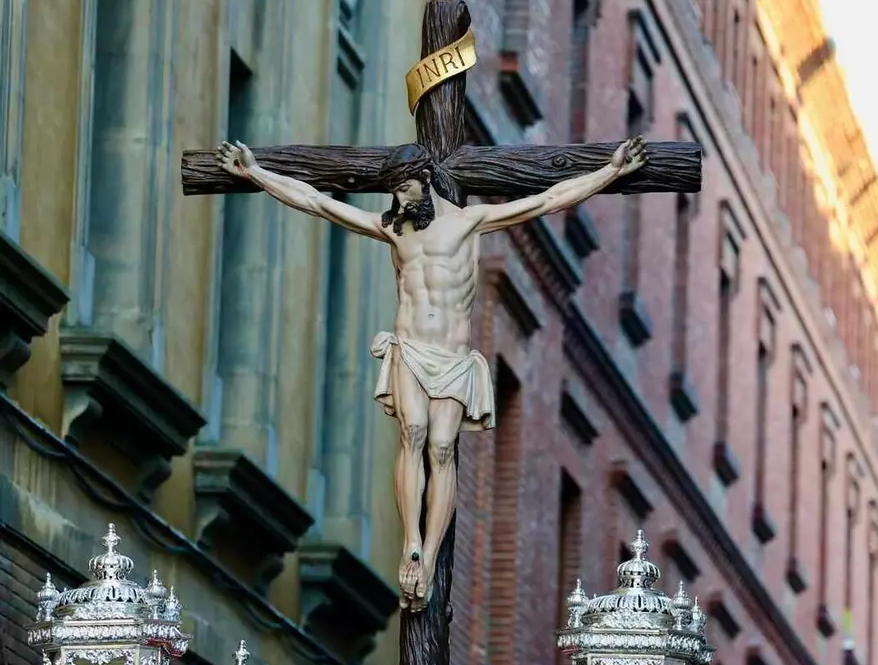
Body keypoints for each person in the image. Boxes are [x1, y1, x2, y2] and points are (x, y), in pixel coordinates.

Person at [216, 136, 647, 611]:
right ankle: (411, 545)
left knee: (443, 448)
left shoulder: (469, 222)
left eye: (404, 188)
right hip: (411, 349)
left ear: (424, 180)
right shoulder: (394, 230)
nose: (398, 199)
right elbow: (318, 203)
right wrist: (255, 173)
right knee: (413, 434)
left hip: (452, 356)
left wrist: (609, 173)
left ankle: (431, 551)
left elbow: (546, 200)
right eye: (393, 190)